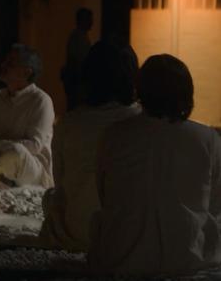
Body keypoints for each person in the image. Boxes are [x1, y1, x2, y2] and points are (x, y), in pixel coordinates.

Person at [89, 54, 221, 276]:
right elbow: (216, 203)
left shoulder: (114, 135)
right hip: (189, 256)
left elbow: (104, 194)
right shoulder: (207, 138)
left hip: (119, 255)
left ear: (139, 90)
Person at [40, 41, 141, 251]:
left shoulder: (69, 123)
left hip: (77, 231)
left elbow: (60, 182)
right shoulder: (142, 121)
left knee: (51, 197)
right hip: (130, 235)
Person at [0, 44, 54, 188]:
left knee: (17, 152)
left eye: (10, 63)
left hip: (33, 172)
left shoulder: (41, 100)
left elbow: (34, 146)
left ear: (26, 73)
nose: (3, 65)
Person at [61, 8, 93, 111]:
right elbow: (77, 60)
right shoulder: (78, 38)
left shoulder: (81, 37)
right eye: (89, 19)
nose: (92, 22)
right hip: (78, 83)